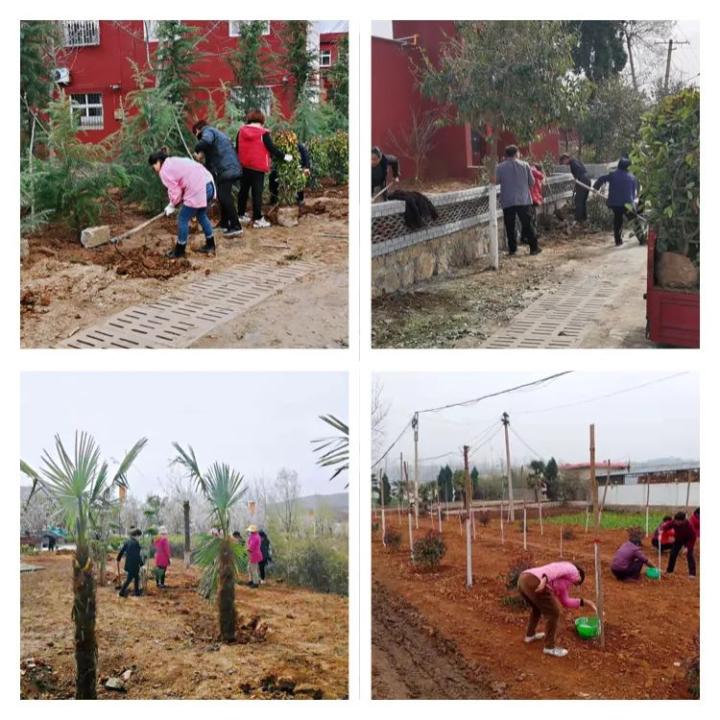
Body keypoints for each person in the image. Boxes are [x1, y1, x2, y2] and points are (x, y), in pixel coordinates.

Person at [517, 561, 597, 657]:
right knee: (553, 613)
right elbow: (554, 568)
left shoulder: (564, 583)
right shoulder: (572, 569)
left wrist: (586, 602)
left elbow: (566, 602)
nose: (576, 585)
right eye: (578, 582)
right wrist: (544, 580)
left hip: (523, 580)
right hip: (535, 580)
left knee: (537, 609)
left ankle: (530, 636)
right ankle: (549, 647)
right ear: (579, 574)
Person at [149, 150, 217, 258]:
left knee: (182, 218)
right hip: (208, 183)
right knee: (201, 215)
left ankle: (179, 251)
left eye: (153, 165)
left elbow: (175, 191)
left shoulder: (164, 171)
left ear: (158, 161)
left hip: (197, 188)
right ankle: (211, 244)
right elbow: (181, 185)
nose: (153, 168)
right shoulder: (173, 161)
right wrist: (175, 202)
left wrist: (172, 205)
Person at [236, 109, 293, 228]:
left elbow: (237, 148)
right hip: (258, 168)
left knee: (243, 191)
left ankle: (240, 215)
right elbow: (272, 148)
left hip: (244, 166)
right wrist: (285, 157)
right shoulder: (263, 133)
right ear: (261, 120)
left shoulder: (241, 131)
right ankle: (257, 219)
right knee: (257, 193)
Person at [192, 120, 243, 238]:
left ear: (198, 130)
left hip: (227, 168)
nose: (198, 137)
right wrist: (200, 163)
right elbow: (209, 165)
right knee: (222, 195)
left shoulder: (208, 131)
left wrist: (197, 150)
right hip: (228, 168)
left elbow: (205, 141)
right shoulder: (215, 138)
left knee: (224, 196)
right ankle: (225, 223)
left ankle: (236, 226)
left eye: (196, 134)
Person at [495, 145, 540, 256]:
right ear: (517, 153)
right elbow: (532, 182)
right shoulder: (525, 165)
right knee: (528, 224)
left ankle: (512, 249)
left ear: (506, 155)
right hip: (523, 199)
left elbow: (495, 181)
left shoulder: (500, 167)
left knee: (510, 225)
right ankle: (534, 248)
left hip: (508, 200)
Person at [593, 158, 640, 246]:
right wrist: (633, 202)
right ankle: (642, 238)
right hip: (628, 204)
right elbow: (634, 193)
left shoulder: (613, 174)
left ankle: (618, 241)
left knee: (618, 221)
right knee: (634, 220)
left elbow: (601, 179)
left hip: (615, 204)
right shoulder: (632, 177)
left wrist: (595, 188)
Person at [559, 153, 591, 223]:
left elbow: (579, 173)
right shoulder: (575, 161)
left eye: (563, 162)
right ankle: (584, 218)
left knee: (578, 200)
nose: (564, 164)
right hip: (587, 179)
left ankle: (578, 219)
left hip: (583, 180)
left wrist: (578, 182)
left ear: (566, 159)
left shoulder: (573, 163)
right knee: (583, 200)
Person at [666, 511, 697, 577]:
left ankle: (692, 573)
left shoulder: (689, 526)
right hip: (678, 539)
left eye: (678, 521)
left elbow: (693, 538)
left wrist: (687, 547)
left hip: (688, 540)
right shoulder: (674, 522)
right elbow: (666, 526)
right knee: (673, 554)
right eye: (675, 521)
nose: (676, 522)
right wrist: (664, 532)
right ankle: (669, 571)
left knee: (689, 555)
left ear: (683, 521)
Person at [521, 162, 545, 244]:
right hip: (531, 199)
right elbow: (541, 176)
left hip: (532, 198)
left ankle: (529, 235)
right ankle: (526, 236)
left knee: (531, 218)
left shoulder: (533, 175)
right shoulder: (532, 170)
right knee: (530, 219)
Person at [117, 528, 144, 597]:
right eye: (139, 536)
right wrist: (141, 564)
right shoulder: (136, 544)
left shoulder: (127, 541)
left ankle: (137, 592)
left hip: (129, 563)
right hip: (134, 564)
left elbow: (122, 551)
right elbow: (137, 555)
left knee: (136, 577)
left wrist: (118, 558)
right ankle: (122, 592)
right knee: (130, 579)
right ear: (136, 535)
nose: (139, 538)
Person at [246, 524, 262, 588]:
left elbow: (251, 546)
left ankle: (255, 583)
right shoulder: (255, 536)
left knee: (253, 569)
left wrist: (248, 549)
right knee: (249, 568)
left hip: (254, 554)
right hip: (254, 554)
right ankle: (251, 581)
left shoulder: (254, 537)